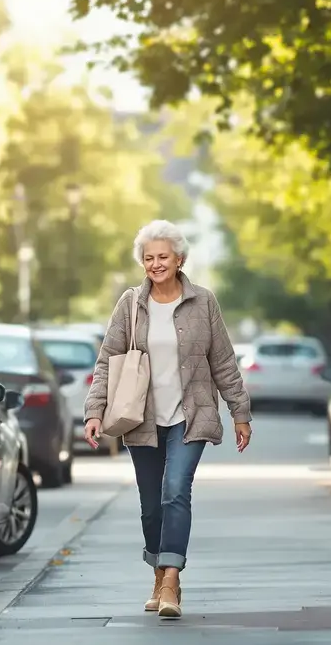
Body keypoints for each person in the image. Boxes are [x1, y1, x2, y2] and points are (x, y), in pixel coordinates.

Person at [82, 219, 252, 619]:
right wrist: (94, 411)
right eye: (148, 258)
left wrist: (239, 412)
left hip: (189, 416)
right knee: (150, 505)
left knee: (175, 490)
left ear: (180, 259)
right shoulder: (130, 304)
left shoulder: (204, 302)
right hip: (140, 419)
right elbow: (107, 360)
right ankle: (158, 574)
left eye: (163, 256)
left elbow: (223, 362)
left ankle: (172, 579)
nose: (156, 264)